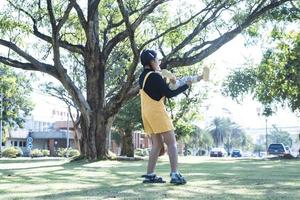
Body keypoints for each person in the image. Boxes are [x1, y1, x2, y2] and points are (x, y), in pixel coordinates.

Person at [139, 49, 189, 185]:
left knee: (157, 144)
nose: (159, 62)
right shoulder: (155, 76)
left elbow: (158, 90)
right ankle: (174, 174)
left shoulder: (143, 76)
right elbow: (168, 93)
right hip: (157, 112)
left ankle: (150, 175)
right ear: (152, 61)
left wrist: (168, 80)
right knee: (172, 143)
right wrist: (186, 85)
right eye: (157, 59)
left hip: (146, 113)